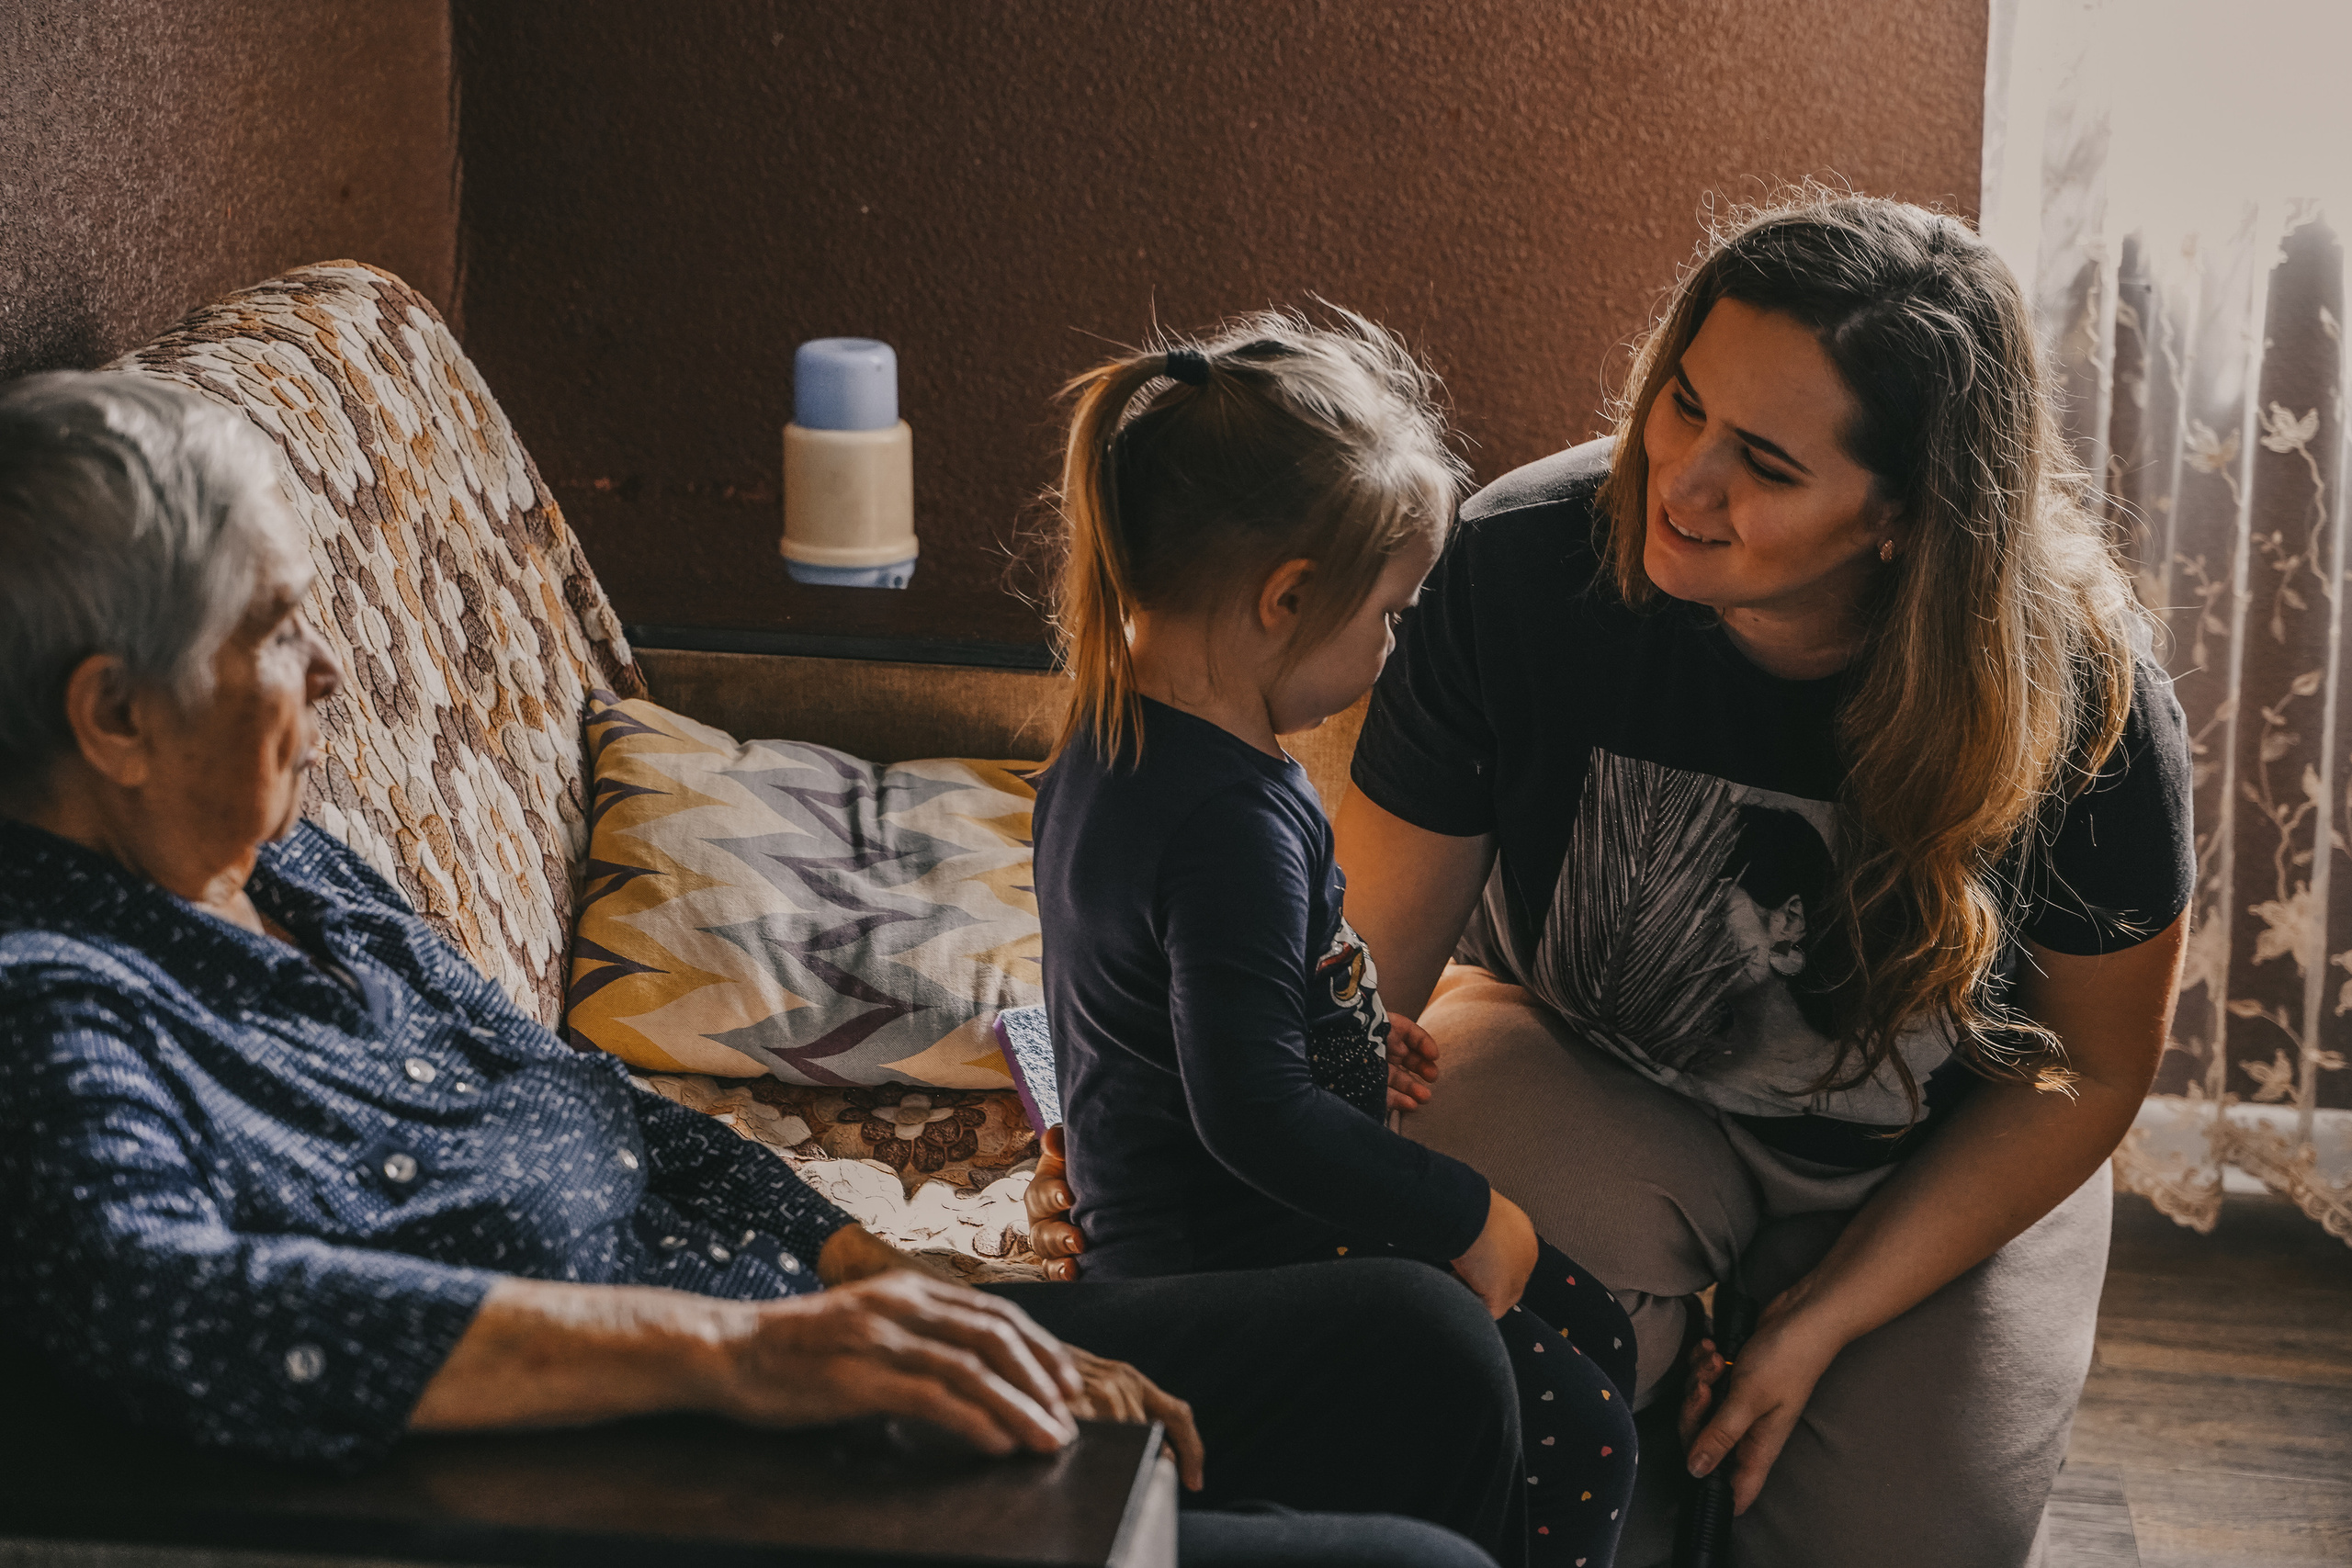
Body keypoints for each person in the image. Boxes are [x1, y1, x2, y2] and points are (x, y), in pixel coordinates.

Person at [0, 371, 1515, 1568]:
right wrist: (749, 1359)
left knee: (1423, 1347)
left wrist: (878, 1280)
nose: (325, 670)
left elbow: (587, 1094)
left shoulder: (291, 869)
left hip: (789, 1344)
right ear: (114, 718)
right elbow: (170, 1307)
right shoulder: (52, 1002)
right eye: (272, 632)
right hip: (677, 1467)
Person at [1030, 194, 2194, 1567]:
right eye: (1682, 404)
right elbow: (1341, 981)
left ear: (1903, 515)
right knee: (1468, 1413)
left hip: (1923, 1159)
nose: (1682, 482)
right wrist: (1157, 1152)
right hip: (1589, 1074)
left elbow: (2094, 1070)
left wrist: (1818, 1323)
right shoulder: (1519, 564)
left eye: (1762, 461)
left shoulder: (2082, 692)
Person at [1027, 313, 1637, 1568]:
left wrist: (1347, 1036)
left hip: (1178, 1228)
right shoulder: (1231, 817)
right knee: (1583, 1430)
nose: (1395, 646)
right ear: (1288, 598)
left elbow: (1172, 999)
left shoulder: (1108, 745)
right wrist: (1464, 1210)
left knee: (1604, 1338)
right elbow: (1249, 1114)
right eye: (1393, 614)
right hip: (1226, 1262)